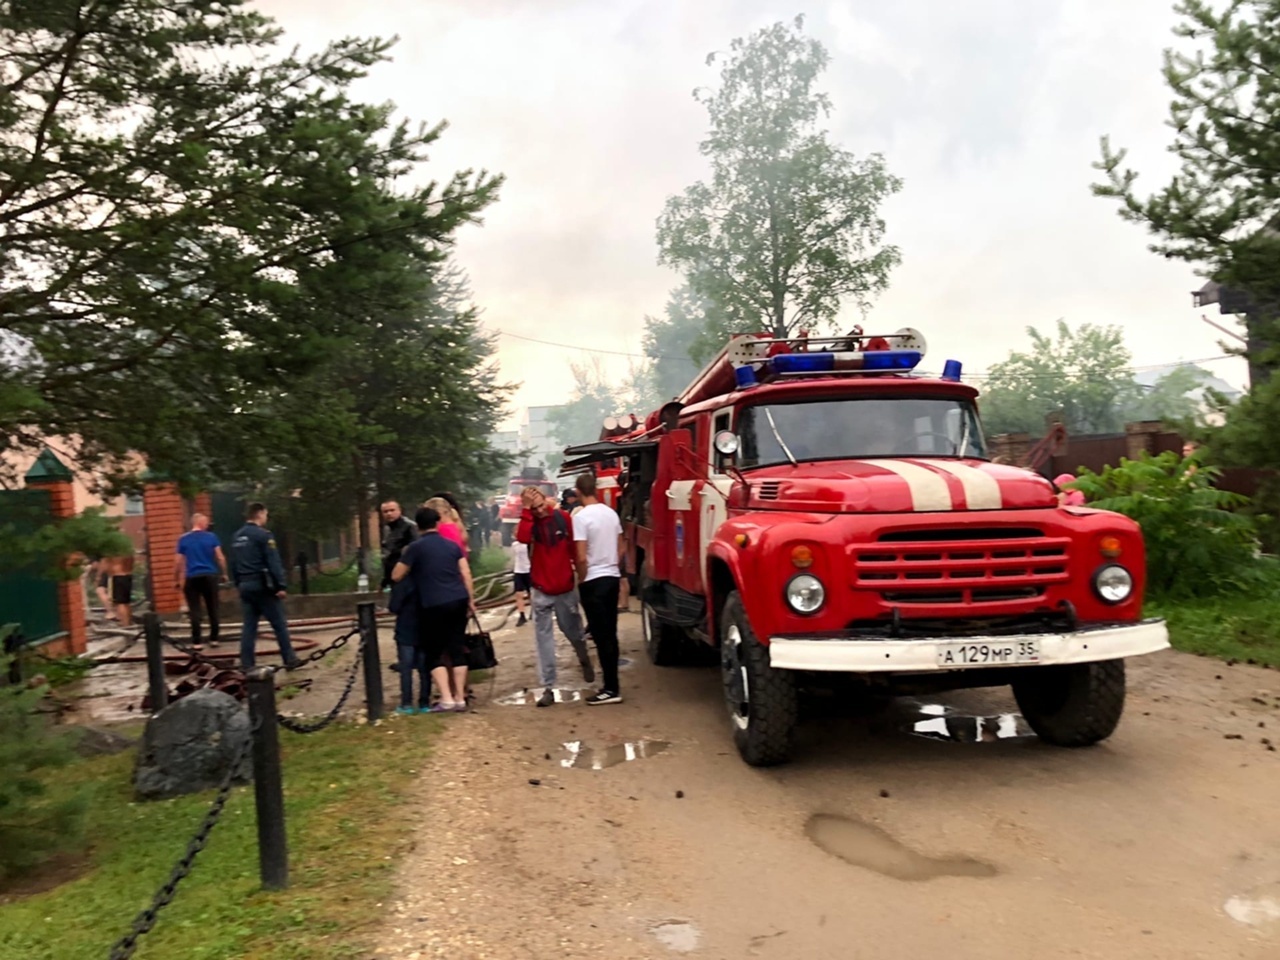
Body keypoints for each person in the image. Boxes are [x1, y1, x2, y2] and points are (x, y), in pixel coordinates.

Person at [392, 506, 477, 712]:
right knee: (457, 648)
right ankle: (460, 698)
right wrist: (471, 601)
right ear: (437, 523)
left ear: (418, 525)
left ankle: (446, 699)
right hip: (458, 599)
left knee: (434, 651)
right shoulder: (452, 546)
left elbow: (396, 575)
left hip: (432, 603)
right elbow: (465, 573)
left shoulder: (415, 548)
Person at [516, 485, 594, 707]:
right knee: (543, 641)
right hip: (540, 589)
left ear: (546, 499)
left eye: (541, 505)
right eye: (535, 507)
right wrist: (526, 511)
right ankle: (548, 687)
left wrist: (582, 576)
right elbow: (522, 539)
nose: (540, 510)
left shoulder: (562, 518)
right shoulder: (530, 522)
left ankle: (583, 656)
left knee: (574, 632)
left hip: (565, 588)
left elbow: (574, 549)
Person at [572, 472, 624, 705]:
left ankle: (610, 689)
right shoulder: (610, 513)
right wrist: (613, 562)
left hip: (593, 579)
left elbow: (581, 556)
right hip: (611, 576)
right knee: (610, 632)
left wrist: (582, 578)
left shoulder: (581, 518)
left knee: (600, 636)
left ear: (578, 491)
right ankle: (612, 683)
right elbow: (622, 546)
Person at [231, 502, 299, 670]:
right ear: (260, 513)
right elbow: (273, 562)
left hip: (245, 586)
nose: (266, 518)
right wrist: (280, 586)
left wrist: (238, 583)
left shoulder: (236, 537)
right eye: (265, 515)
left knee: (249, 627)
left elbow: (233, 564)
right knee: (279, 624)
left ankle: (246, 663)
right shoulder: (263, 536)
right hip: (263, 586)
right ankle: (289, 658)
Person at [175, 513, 227, 647]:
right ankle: (214, 639)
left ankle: (197, 641)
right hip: (209, 576)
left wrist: (176, 579)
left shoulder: (183, 539)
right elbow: (220, 557)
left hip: (192, 577)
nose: (208, 525)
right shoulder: (211, 537)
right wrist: (224, 573)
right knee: (213, 608)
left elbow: (178, 562)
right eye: (206, 522)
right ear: (200, 523)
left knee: (194, 609)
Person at [388, 567, 429, 714]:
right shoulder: (429, 581)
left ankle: (407, 703)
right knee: (424, 668)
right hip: (425, 628)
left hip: (406, 628)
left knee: (406, 668)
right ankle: (424, 702)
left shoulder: (403, 583)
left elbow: (394, 607)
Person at [379, 501, 418, 590]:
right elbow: (388, 555)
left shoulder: (409, 527)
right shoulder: (387, 529)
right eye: (385, 511)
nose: (389, 513)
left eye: (392, 510)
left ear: (399, 510)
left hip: (407, 575)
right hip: (393, 574)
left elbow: (415, 550)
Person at [108, 551, 135, 627]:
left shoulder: (115, 553)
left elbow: (109, 566)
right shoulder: (128, 552)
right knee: (127, 602)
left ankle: (125, 623)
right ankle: (129, 621)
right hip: (128, 576)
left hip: (118, 576)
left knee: (120, 603)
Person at [512, 538, 531, 627]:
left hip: (529, 570)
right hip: (518, 571)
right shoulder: (514, 545)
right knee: (519, 594)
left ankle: (534, 611)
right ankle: (522, 615)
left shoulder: (529, 544)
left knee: (531, 593)